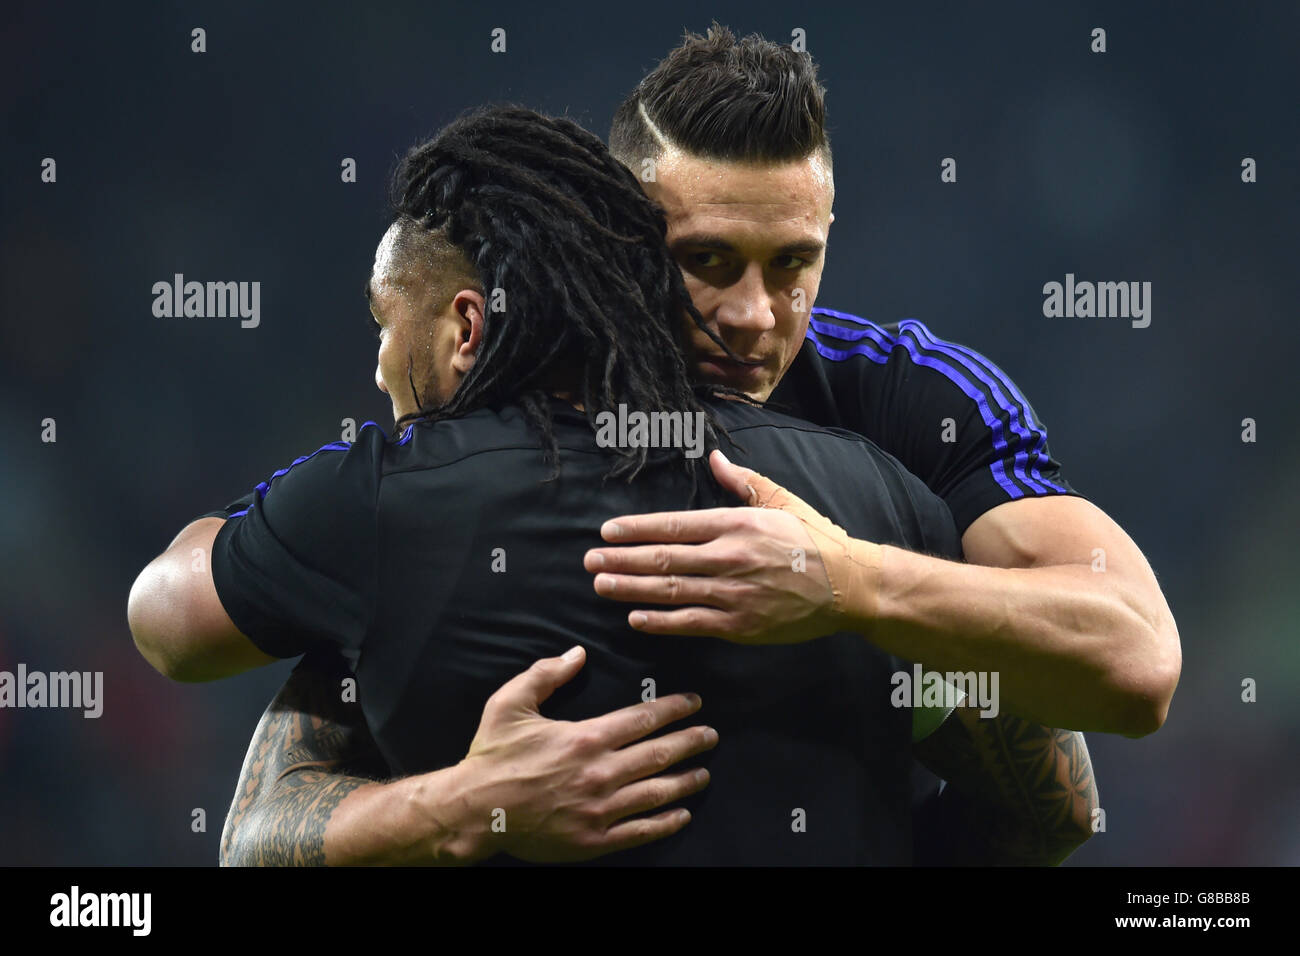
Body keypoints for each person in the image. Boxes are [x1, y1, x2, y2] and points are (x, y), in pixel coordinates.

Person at [128, 104, 1097, 865]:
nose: (380, 366)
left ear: (466, 328)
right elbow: (1059, 805)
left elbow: (170, 627)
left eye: (386, 323)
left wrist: (469, 806)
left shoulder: (380, 512)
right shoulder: (876, 497)